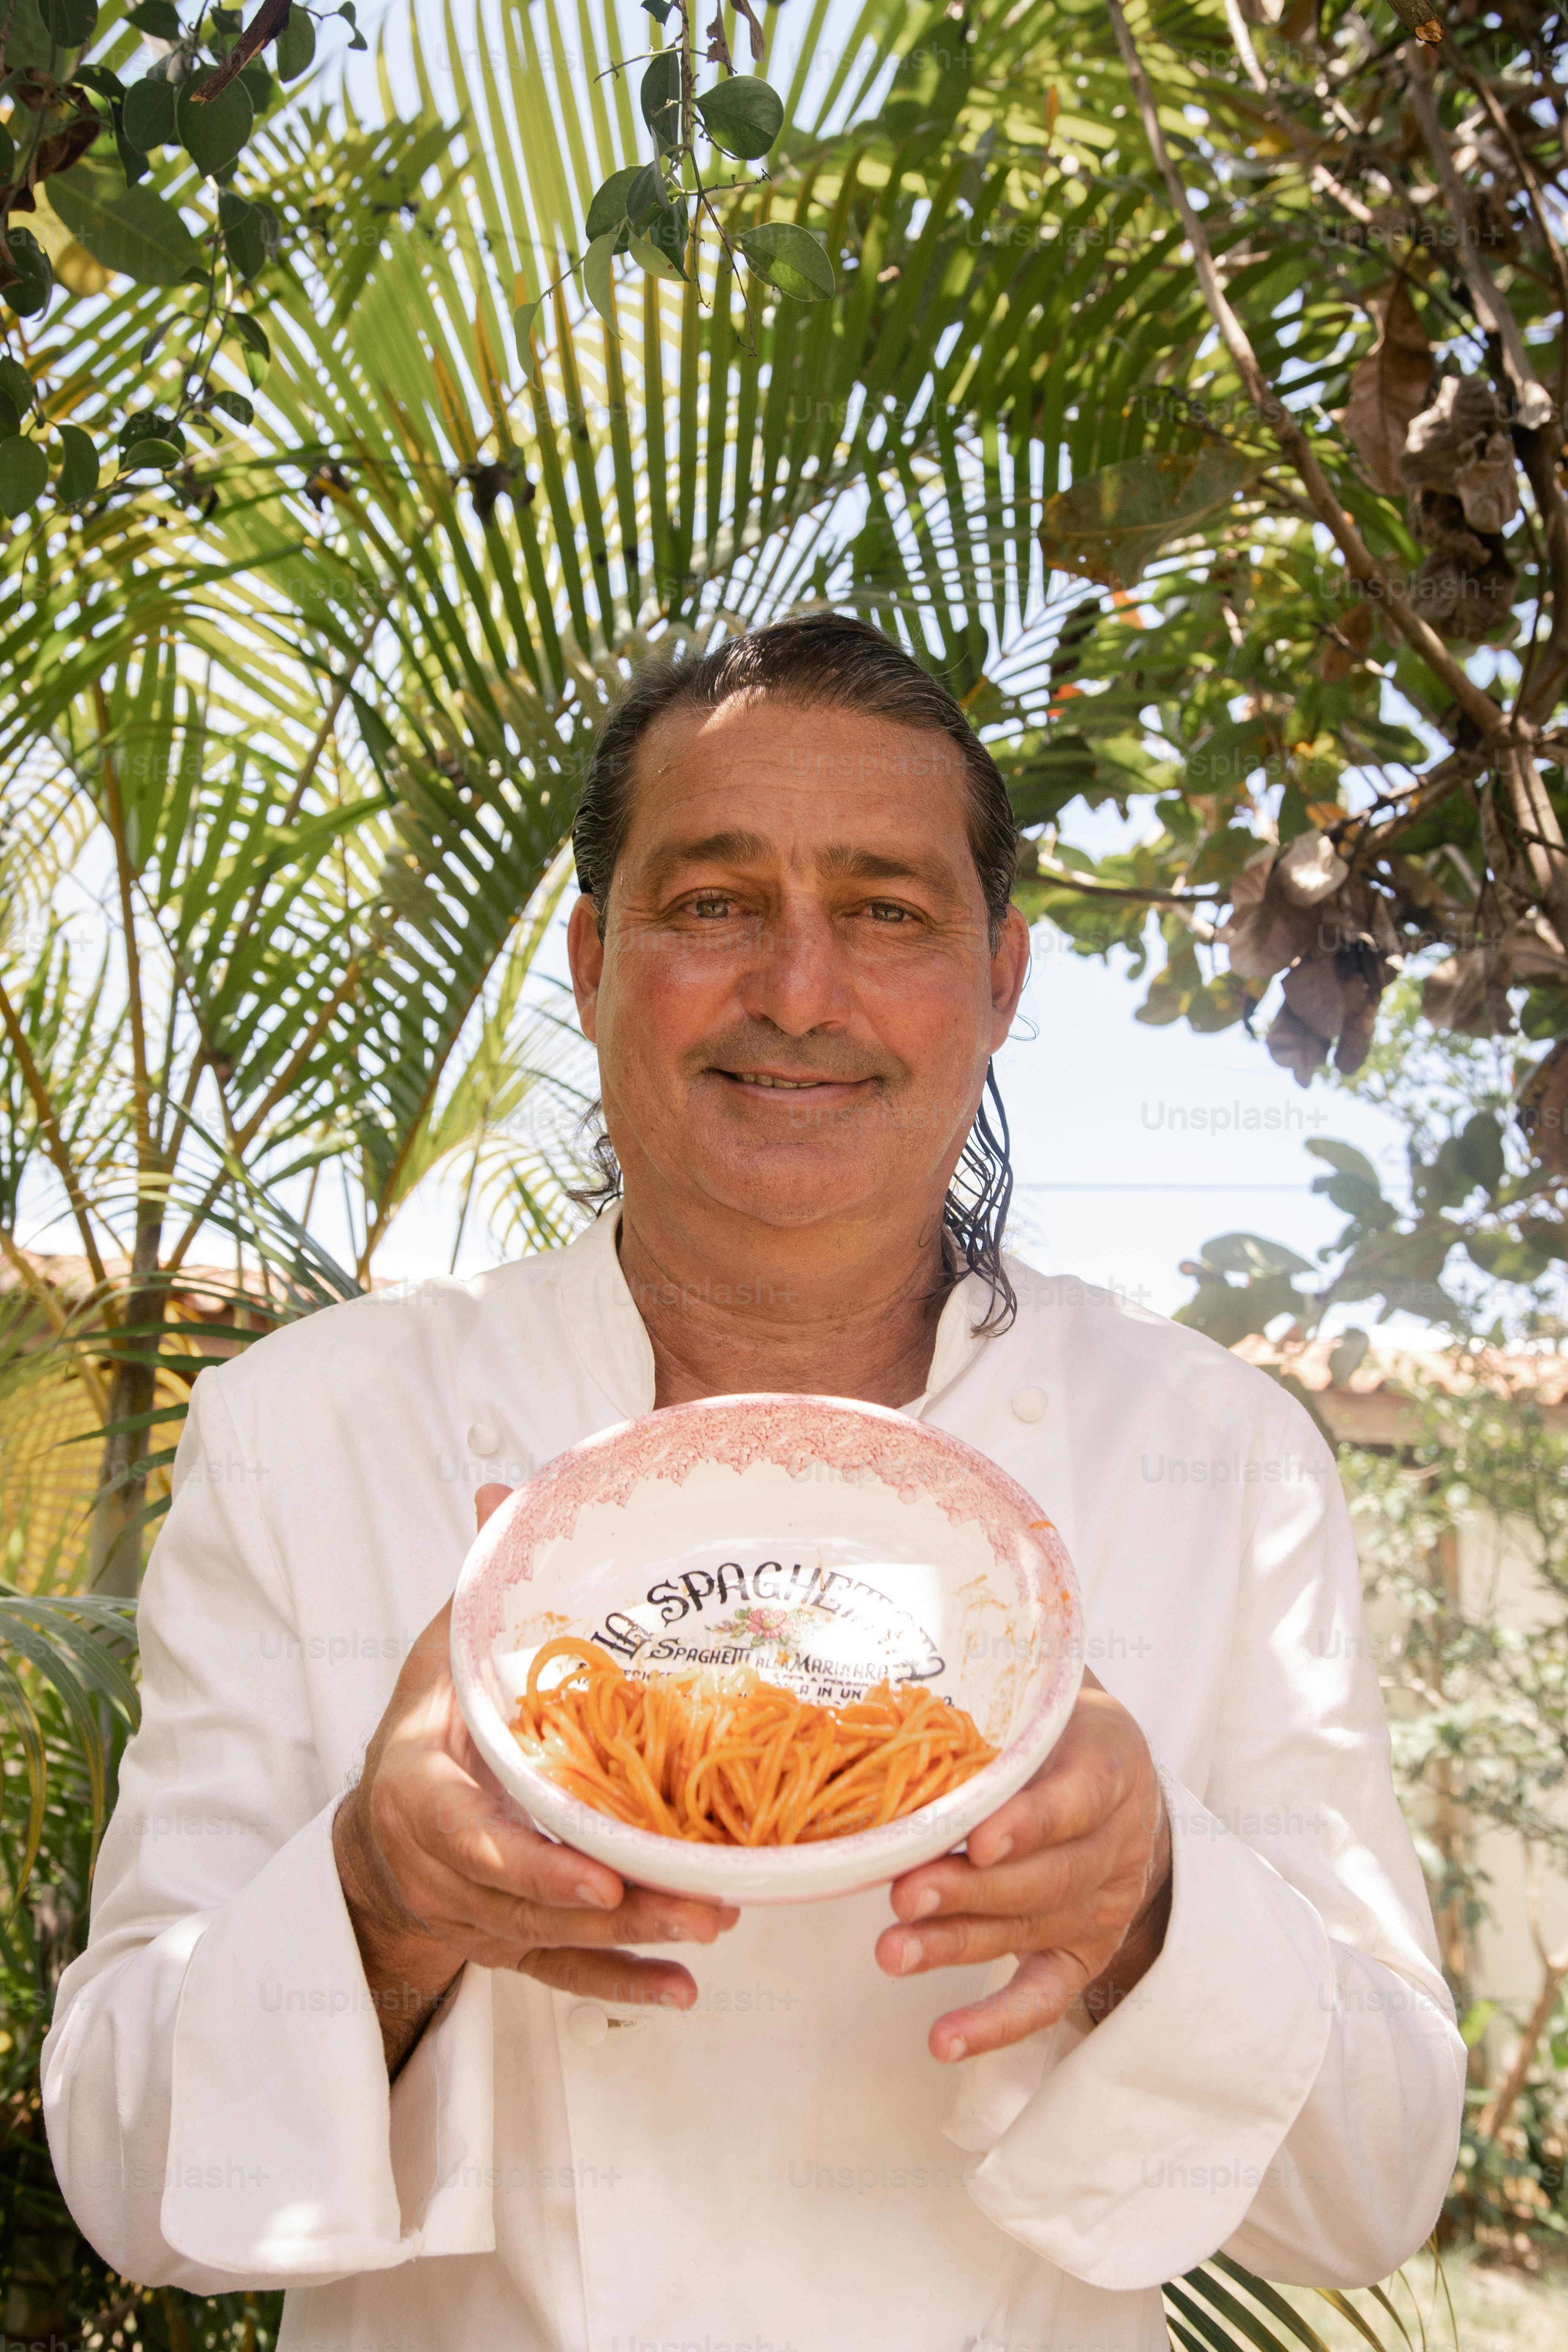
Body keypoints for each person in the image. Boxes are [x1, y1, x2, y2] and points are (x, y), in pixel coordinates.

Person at [45, 615, 1464, 2352]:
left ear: (1003, 982)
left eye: (885, 911)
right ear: (587, 961)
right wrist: (375, 1893)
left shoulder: (1220, 1461)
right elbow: (130, 2178)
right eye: (714, 904)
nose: (799, 988)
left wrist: (1150, 1897)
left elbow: (1376, 2181)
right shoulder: (310, 1432)